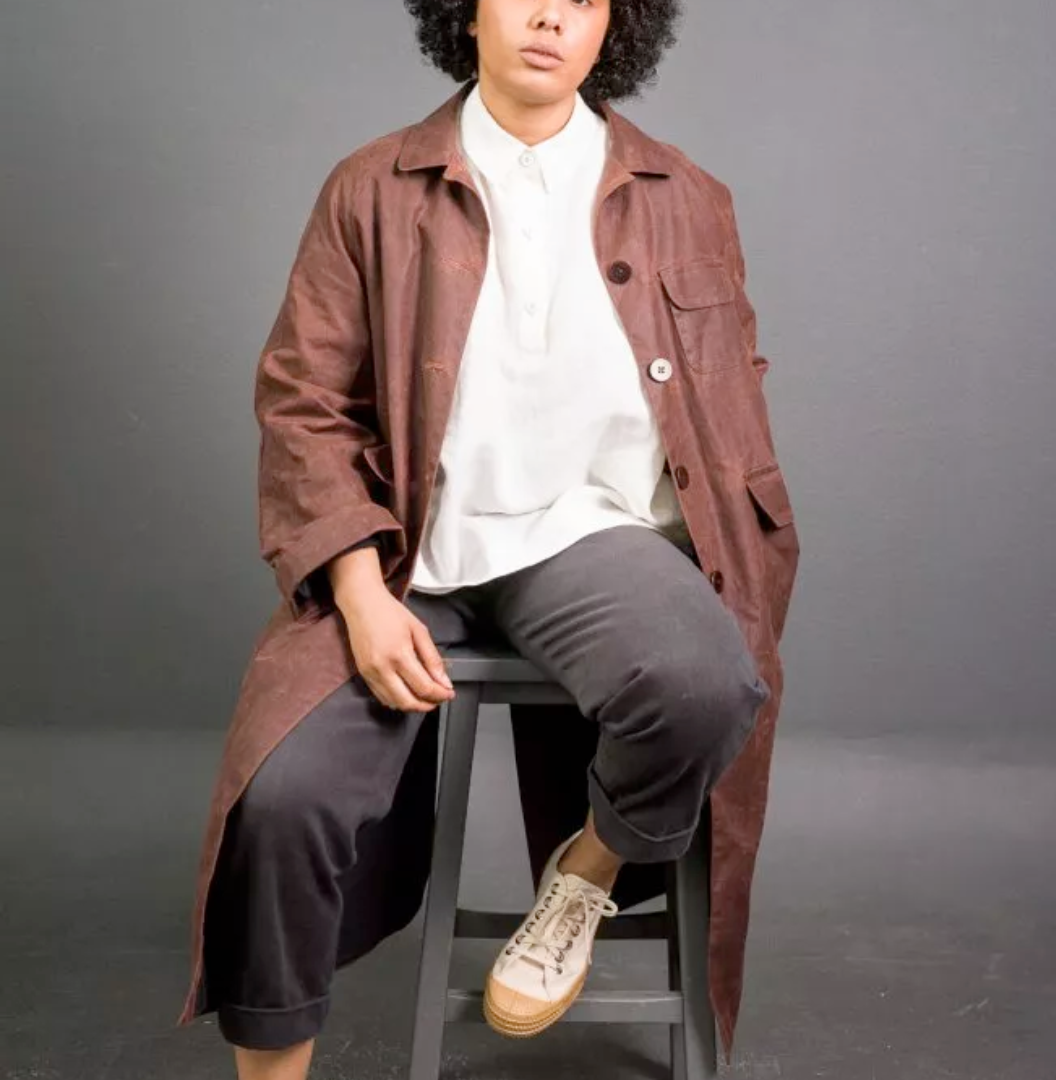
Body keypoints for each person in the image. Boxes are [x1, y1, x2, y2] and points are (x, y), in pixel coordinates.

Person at [179, 2, 800, 1077]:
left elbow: (729, 400)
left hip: (594, 535)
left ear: (616, 27)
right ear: (466, 13)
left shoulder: (687, 196)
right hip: (405, 548)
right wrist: (359, 593)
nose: (550, 15)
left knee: (707, 685)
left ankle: (584, 876)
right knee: (280, 803)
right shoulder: (372, 186)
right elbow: (303, 403)